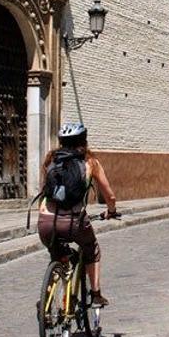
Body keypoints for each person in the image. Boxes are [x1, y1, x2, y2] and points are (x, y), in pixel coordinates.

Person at [37, 122, 117, 306]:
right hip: (74, 221)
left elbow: (45, 192)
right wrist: (111, 211)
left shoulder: (51, 160)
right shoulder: (90, 162)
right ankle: (96, 295)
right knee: (92, 250)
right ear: (84, 141)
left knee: (57, 254)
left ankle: (47, 302)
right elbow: (110, 196)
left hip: (46, 222)